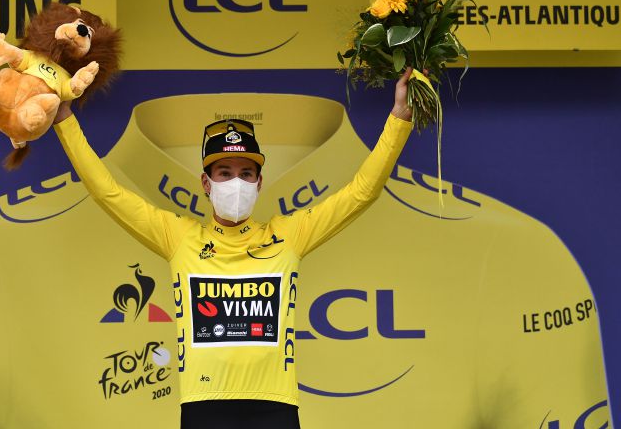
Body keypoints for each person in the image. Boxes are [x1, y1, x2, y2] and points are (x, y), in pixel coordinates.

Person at [50, 69, 415, 428]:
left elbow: (362, 191)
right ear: (206, 183)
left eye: (246, 173)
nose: (236, 182)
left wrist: (398, 118)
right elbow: (107, 191)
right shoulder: (178, 237)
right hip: (204, 404)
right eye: (224, 173)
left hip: (276, 405)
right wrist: (64, 119)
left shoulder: (289, 235)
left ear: (259, 183)